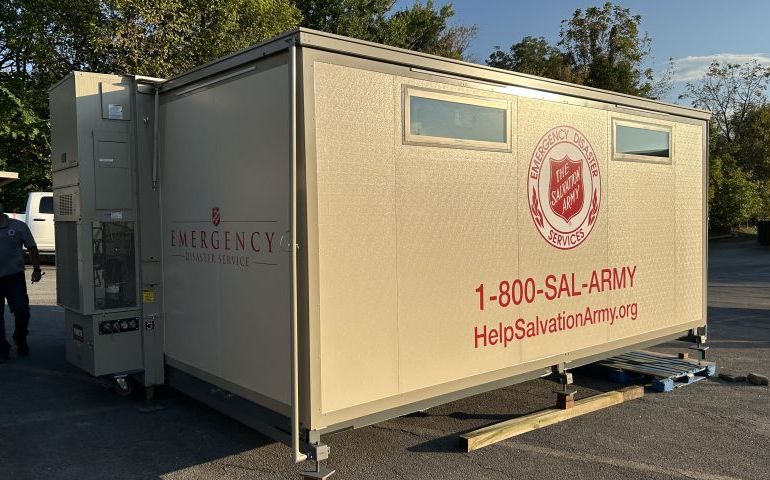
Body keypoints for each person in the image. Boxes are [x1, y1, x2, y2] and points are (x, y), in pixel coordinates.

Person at [0, 202, 42, 361]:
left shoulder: (19, 227)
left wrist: (37, 269)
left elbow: (31, 247)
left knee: (22, 311)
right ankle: (2, 349)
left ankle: (20, 337)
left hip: (14, 278)